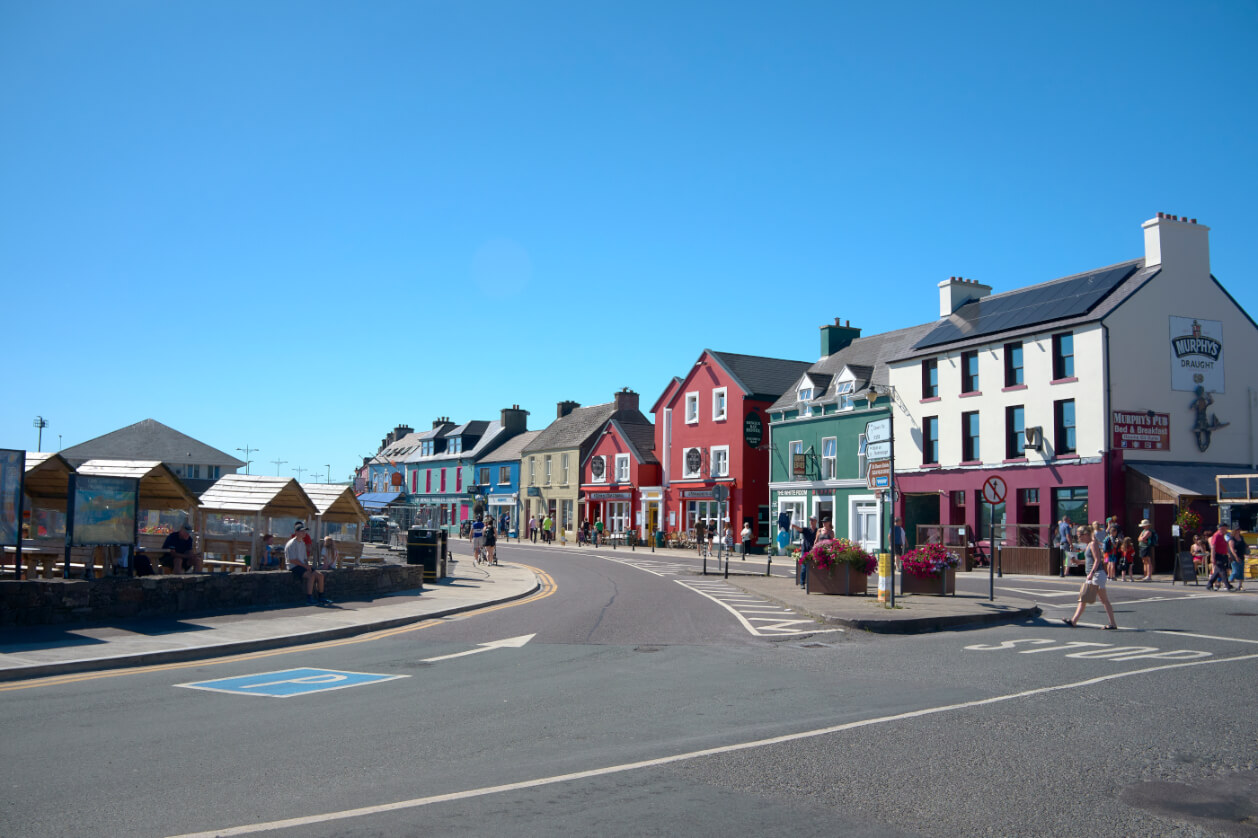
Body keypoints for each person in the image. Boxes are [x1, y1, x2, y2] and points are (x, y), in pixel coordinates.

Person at [1062, 525, 1118, 629]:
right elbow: (1089, 561)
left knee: (1101, 600)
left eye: (1080, 536)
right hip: (1093, 575)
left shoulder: (1093, 544)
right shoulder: (1088, 545)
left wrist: (1091, 573)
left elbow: (1097, 559)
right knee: (1084, 599)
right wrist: (1078, 562)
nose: (1079, 538)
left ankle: (1112, 624)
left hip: (1096, 575)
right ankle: (1074, 621)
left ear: (1087, 534)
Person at [286, 523, 330, 605]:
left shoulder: (302, 543)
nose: (304, 533)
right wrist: (305, 566)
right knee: (311, 576)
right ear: (296, 532)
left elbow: (304, 558)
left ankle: (321, 597)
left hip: (302, 565)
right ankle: (309, 598)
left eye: (304, 531)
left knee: (320, 575)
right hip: (293, 566)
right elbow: (292, 560)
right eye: (302, 531)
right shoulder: (291, 543)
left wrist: (308, 565)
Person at [1207, 522, 1236, 591]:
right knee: (1223, 571)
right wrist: (1212, 557)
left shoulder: (1225, 535)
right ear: (1221, 528)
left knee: (1217, 571)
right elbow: (1213, 547)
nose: (1226, 530)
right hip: (1218, 555)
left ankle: (1209, 584)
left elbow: (1226, 545)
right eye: (1225, 528)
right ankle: (1228, 585)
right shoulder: (1216, 535)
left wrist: (1228, 554)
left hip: (1223, 555)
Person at [792, 516, 819, 587]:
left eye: (812, 520)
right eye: (810, 520)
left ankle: (814, 583)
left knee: (814, 566)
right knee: (804, 567)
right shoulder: (807, 529)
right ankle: (802, 583)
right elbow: (800, 529)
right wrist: (795, 526)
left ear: (816, 521)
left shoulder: (818, 531)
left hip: (813, 550)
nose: (811, 521)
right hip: (805, 550)